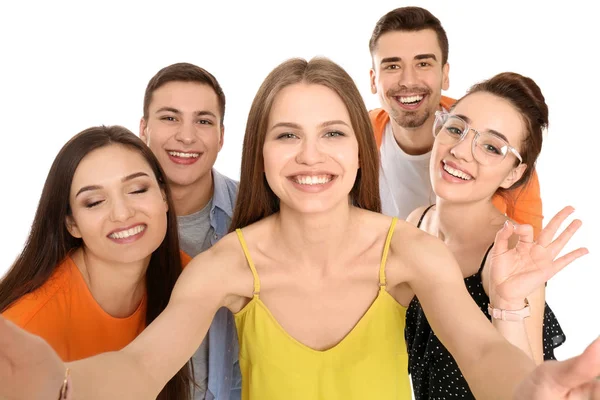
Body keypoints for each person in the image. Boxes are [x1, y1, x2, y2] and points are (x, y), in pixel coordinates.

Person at [0, 57, 595, 400]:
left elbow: (482, 351)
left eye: (333, 133)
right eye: (287, 135)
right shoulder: (225, 266)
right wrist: (64, 383)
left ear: (362, 151)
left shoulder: (411, 253)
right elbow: (140, 366)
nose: (311, 156)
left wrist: (533, 385)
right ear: (259, 152)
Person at [404, 72, 567, 399]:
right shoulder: (417, 221)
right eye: (455, 128)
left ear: (513, 174)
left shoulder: (511, 254)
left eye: (492, 147)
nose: (461, 150)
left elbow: (531, 386)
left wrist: (507, 306)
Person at [0, 125, 194, 399]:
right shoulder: (28, 325)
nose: (122, 213)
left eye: (137, 189)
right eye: (94, 202)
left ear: (163, 196)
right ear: (72, 224)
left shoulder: (189, 278)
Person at [368, 6, 543, 238]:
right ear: (373, 80)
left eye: (423, 64)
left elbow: (528, 251)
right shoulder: (355, 136)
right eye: (392, 66)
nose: (408, 80)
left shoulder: (502, 152)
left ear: (445, 74)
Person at [138, 62, 241, 400]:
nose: (186, 135)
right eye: (170, 118)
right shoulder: (113, 222)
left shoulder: (257, 213)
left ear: (221, 136)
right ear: (143, 129)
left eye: (203, 121)